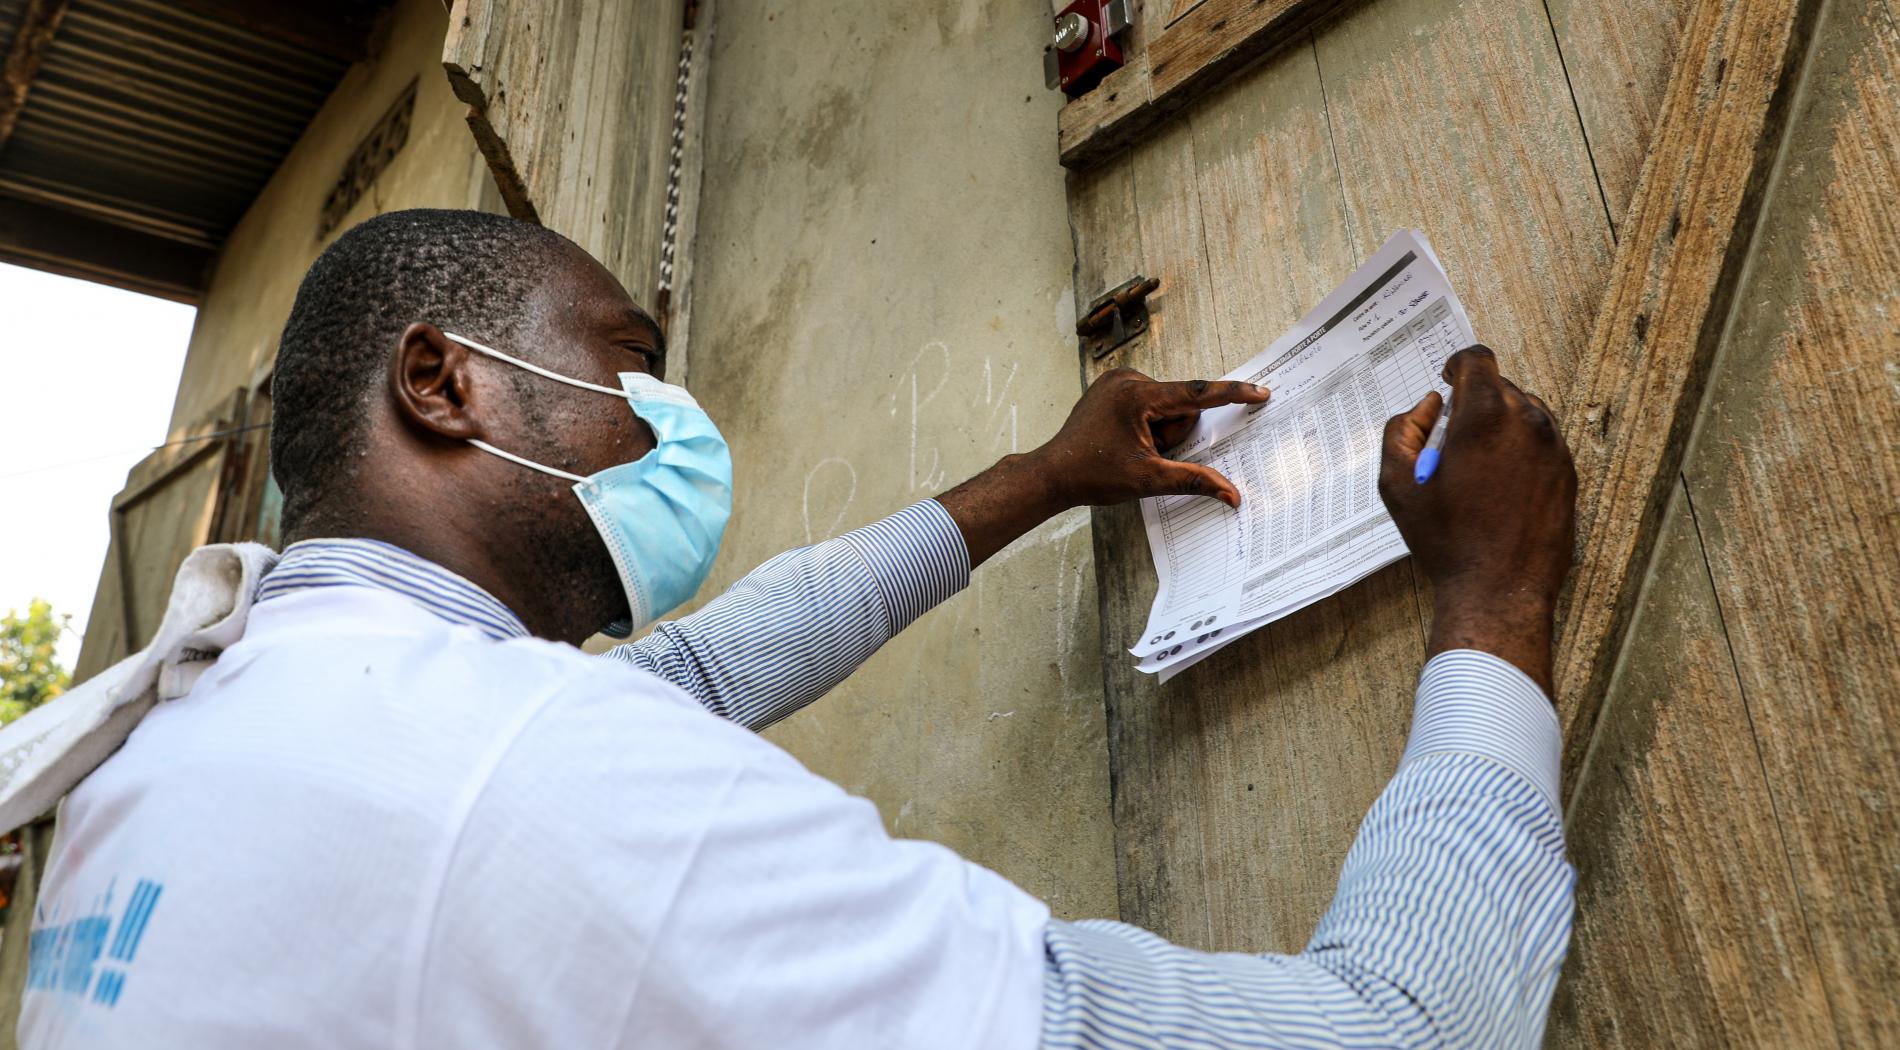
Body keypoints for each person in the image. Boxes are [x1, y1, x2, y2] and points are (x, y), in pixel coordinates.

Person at [18, 209, 1577, 1048]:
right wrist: (1490, 598)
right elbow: (1413, 1028)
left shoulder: (187, 743)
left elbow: (692, 676)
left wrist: (1041, 477)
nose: (676, 424)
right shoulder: (540, 788)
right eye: (633, 365)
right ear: (446, 382)